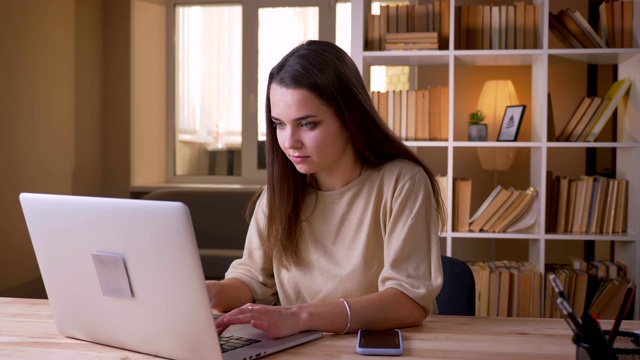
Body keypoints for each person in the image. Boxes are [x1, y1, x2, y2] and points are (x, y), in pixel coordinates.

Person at [206, 40, 445, 339]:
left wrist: (300, 316)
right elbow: (253, 281)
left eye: (307, 124)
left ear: (349, 119)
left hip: (375, 350)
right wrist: (209, 292)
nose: (289, 141)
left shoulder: (402, 183)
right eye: (279, 124)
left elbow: (408, 302)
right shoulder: (279, 193)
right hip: (301, 349)